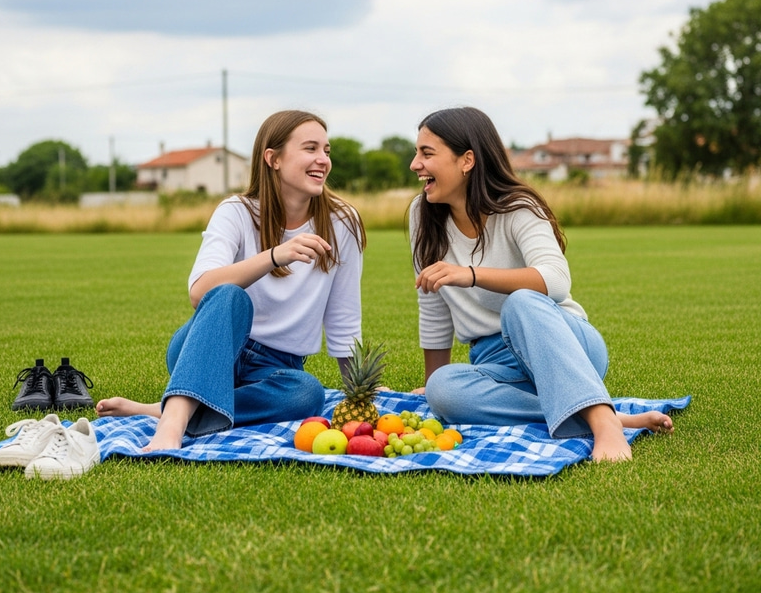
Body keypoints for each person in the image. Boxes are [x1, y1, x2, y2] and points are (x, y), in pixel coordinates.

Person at [408, 106, 673, 462]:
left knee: (522, 301)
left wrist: (471, 273)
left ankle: (604, 424)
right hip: (496, 364)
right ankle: (605, 413)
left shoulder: (518, 207)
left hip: (564, 344)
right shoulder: (421, 214)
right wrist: (431, 383)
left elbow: (556, 279)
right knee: (442, 390)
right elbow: (433, 307)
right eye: (416, 153)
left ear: (466, 160)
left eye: (427, 153)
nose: (415, 164)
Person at [97, 110, 366, 451]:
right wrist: (274, 256)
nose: (323, 160)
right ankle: (170, 429)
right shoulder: (236, 211)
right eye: (310, 148)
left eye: (327, 150)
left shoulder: (343, 221)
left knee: (307, 393)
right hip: (210, 345)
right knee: (228, 295)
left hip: (275, 369)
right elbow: (200, 291)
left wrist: (358, 391)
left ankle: (169, 408)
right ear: (274, 159)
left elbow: (343, 316)